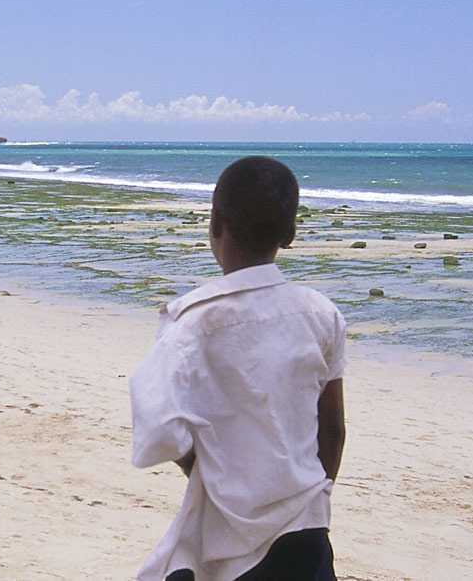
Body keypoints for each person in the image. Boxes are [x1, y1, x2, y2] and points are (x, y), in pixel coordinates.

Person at [129, 156, 349, 581]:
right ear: (290, 233)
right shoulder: (321, 313)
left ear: (215, 222)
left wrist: (208, 468)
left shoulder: (191, 321)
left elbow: (158, 430)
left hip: (226, 535)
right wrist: (314, 494)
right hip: (305, 525)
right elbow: (333, 428)